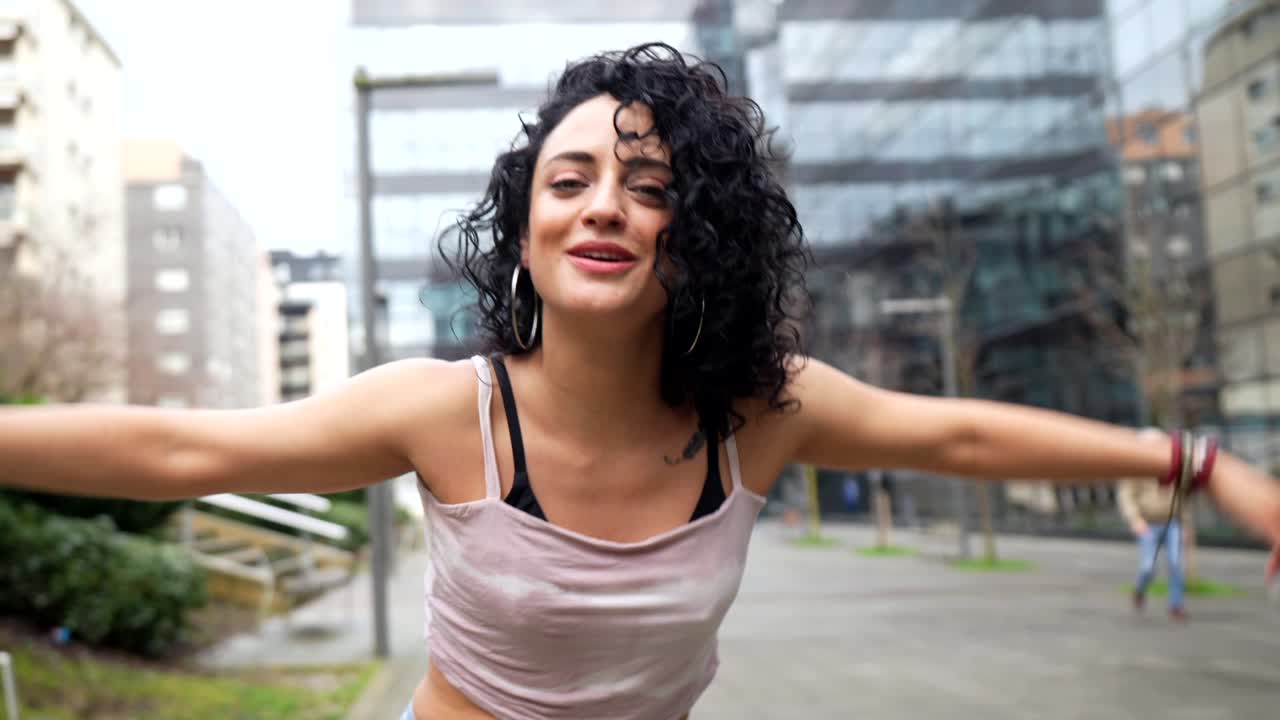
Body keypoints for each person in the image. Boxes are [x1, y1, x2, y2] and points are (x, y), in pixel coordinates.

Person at [2, 44, 1278, 720]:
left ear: (698, 234)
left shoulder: (759, 414)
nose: (604, 206)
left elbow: (959, 439)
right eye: (568, 182)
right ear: (526, 232)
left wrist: (1197, 463)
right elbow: (187, 452)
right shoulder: (447, 412)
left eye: (651, 186)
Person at [1118, 430, 1194, 621]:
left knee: (1175, 563)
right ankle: (1140, 589)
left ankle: (1176, 605)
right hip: (1148, 524)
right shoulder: (1136, 469)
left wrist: (1185, 524)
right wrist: (1135, 519)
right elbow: (1126, 496)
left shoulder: (1174, 469)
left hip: (1172, 522)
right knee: (1148, 566)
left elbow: (1181, 497)